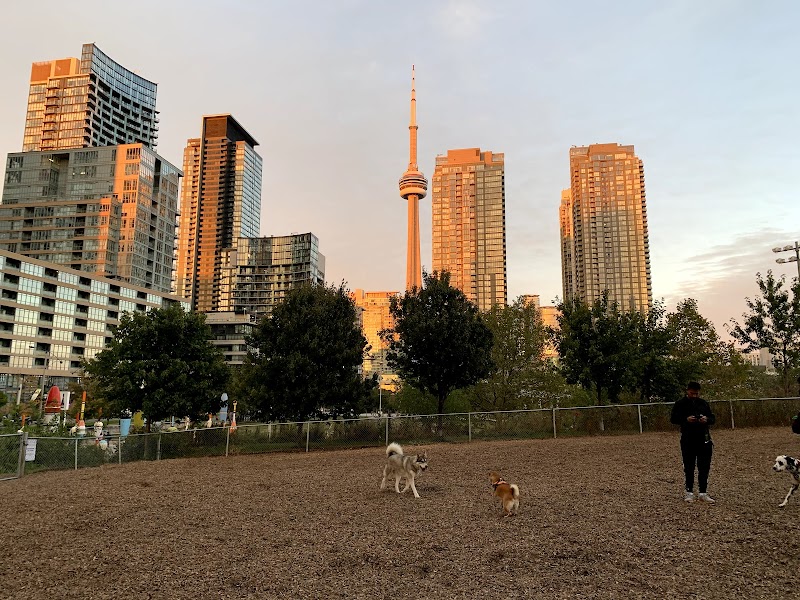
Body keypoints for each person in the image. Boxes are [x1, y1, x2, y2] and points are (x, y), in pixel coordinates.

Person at [670, 381, 716, 503]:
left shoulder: (703, 403)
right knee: (689, 466)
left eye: (696, 394)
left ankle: (703, 492)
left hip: (704, 439)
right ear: (687, 391)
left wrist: (706, 419)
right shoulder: (680, 404)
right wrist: (685, 419)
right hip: (688, 439)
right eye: (692, 393)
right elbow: (673, 419)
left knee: (704, 467)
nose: (694, 396)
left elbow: (713, 418)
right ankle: (689, 491)